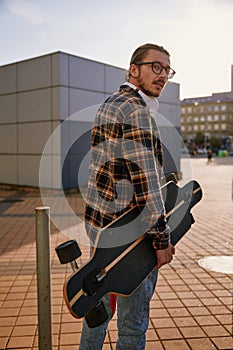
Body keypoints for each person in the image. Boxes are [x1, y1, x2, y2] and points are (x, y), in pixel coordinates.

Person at [79, 43, 176, 350]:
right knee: (133, 325)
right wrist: (161, 240)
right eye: (155, 67)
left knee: (99, 308)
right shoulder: (136, 110)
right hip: (130, 235)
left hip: (102, 227)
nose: (162, 76)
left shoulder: (111, 103)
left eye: (167, 70)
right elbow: (146, 183)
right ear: (134, 70)